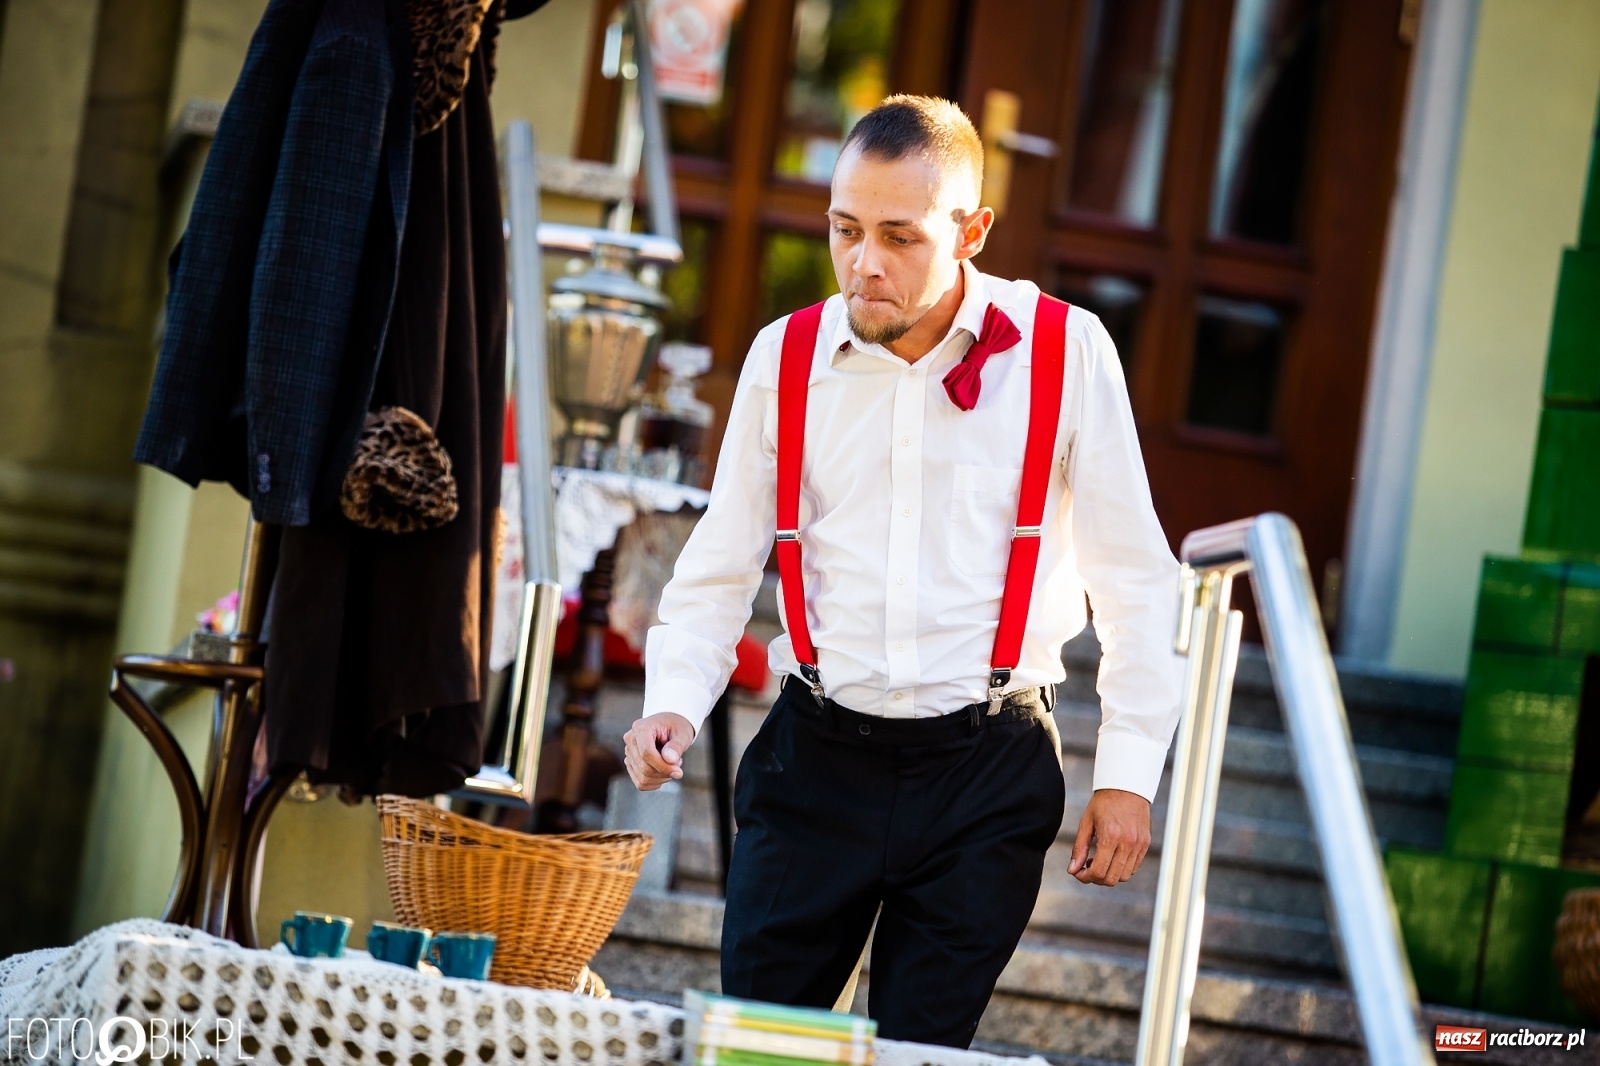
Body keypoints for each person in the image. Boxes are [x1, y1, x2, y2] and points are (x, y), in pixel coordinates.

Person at [623, 95, 1184, 1049]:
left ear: (971, 232)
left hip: (987, 771)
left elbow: (1137, 579)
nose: (864, 264)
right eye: (845, 231)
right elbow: (721, 562)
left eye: (899, 237)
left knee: (921, 1051)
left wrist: (1128, 773)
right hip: (814, 760)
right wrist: (676, 696)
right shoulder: (785, 356)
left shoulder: (1066, 352)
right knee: (761, 1049)